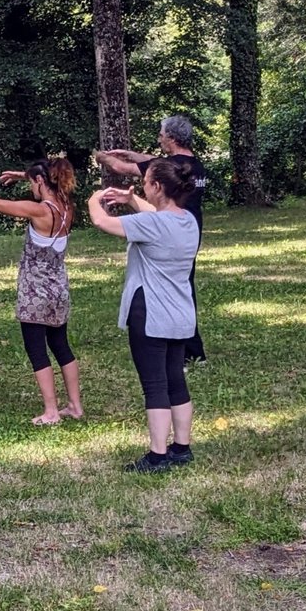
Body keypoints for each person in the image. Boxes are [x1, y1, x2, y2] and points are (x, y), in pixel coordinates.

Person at [87, 158, 202, 473]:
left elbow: (102, 222)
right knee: (176, 380)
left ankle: (157, 456)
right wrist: (130, 200)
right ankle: (181, 448)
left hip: (150, 314)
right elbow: (159, 216)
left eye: (146, 182)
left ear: (158, 187)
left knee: (154, 385)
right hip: (180, 314)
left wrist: (93, 200)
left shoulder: (151, 225)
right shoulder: (188, 221)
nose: (142, 187)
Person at [0, 158, 83, 426]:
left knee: (37, 349)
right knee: (61, 346)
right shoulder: (67, 208)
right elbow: (45, 182)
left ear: (39, 182)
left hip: (35, 292)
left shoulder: (39, 210)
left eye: (33, 182)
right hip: (58, 288)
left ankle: (51, 411)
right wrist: (24, 175)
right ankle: (74, 406)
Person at [94, 115, 209, 363]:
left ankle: (189, 351)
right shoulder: (193, 165)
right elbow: (156, 162)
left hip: (168, 232)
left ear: (172, 138)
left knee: (172, 288)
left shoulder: (169, 170)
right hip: (190, 230)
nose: (159, 139)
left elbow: (122, 170)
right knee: (183, 283)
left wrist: (102, 157)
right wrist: (132, 154)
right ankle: (190, 348)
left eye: (161, 135)